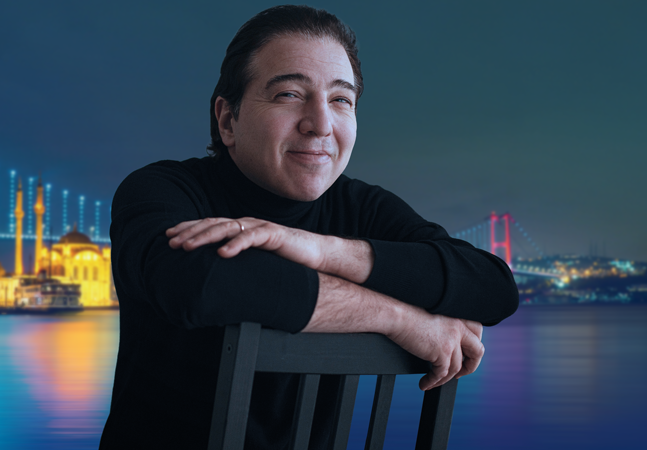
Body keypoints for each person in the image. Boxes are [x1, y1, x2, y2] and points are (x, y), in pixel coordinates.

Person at [99, 5, 518, 449]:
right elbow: (202, 285)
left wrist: (321, 250)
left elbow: (493, 288)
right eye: (289, 95)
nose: (320, 124)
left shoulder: (360, 207)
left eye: (341, 100)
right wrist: (399, 317)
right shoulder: (163, 191)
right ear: (227, 120)